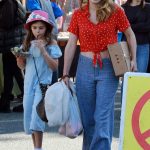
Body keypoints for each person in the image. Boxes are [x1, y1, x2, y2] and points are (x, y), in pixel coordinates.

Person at [62, 0, 137, 149]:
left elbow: (130, 34)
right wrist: (65, 73)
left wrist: (133, 58)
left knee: (102, 117)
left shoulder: (116, 11)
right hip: (85, 68)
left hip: (109, 68)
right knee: (88, 119)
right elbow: (71, 44)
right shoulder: (78, 14)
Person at [16, 10, 62, 150]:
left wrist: (43, 51)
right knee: (29, 116)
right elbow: (22, 66)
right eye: (34, 27)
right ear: (30, 28)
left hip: (43, 85)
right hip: (29, 84)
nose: (37, 31)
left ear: (47, 28)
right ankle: (35, 147)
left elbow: (54, 67)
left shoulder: (51, 43)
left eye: (41, 27)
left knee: (37, 117)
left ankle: (38, 147)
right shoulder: (27, 43)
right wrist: (19, 58)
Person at [0, 0, 26, 113]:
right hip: (13, 43)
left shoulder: (9, 3)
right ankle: (5, 102)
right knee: (10, 74)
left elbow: (7, 23)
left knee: (15, 73)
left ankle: (27, 102)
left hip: (11, 44)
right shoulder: (11, 2)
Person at [122, 0, 150, 72]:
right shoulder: (123, 8)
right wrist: (139, 26)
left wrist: (129, 27)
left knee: (140, 75)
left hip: (142, 46)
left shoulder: (147, 7)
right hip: (126, 46)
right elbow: (121, 27)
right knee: (125, 75)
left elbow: (147, 26)